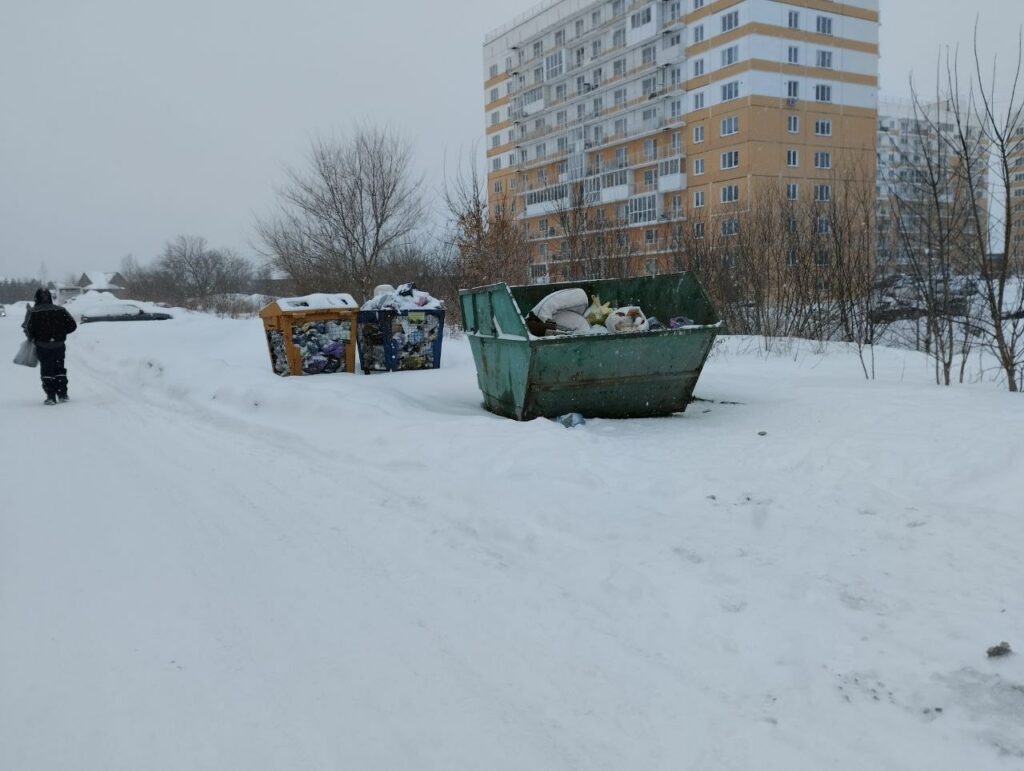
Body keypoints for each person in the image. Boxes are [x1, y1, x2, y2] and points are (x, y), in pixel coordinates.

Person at [22, 288, 78, 405]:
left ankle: (51, 397)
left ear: (36, 298)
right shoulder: (61, 310)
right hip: (59, 344)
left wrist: (33, 337)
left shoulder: (33, 312)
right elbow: (72, 325)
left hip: (42, 345)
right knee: (59, 368)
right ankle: (62, 394)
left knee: (46, 369)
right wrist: (61, 333)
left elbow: (27, 328)